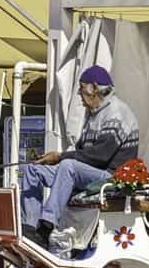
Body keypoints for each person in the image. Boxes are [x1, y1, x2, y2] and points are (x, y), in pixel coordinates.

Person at [20, 66, 139, 257]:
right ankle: (30, 229)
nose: (79, 94)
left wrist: (60, 157)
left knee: (68, 166)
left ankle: (46, 227)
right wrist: (54, 160)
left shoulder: (117, 113)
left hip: (109, 177)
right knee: (33, 170)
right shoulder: (94, 113)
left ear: (94, 88)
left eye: (82, 88)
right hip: (88, 172)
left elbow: (100, 156)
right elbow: (83, 152)